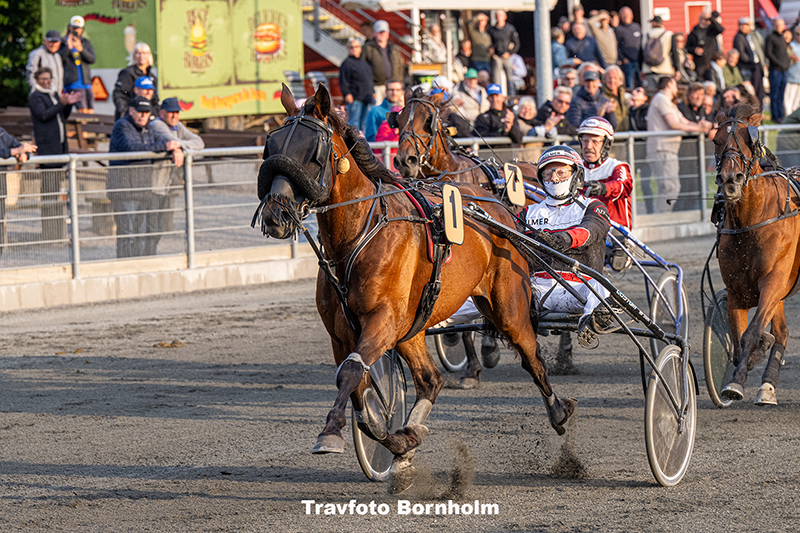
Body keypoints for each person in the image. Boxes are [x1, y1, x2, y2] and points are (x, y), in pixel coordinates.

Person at [521, 145, 612, 371]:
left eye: (561, 172)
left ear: (576, 175)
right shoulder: (527, 213)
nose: (554, 178)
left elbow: (593, 229)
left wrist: (567, 238)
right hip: (535, 291)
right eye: (548, 173)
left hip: (578, 289)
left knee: (601, 285)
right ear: (541, 178)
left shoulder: (592, 206)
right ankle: (441, 319)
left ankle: (591, 321)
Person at [108, 96, 183, 258]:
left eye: (147, 112)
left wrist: (175, 149)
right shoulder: (122, 126)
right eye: (140, 112)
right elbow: (131, 147)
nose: (143, 115)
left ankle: (140, 265)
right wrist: (165, 146)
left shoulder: (149, 127)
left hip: (143, 189)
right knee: (127, 234)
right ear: (131, 111)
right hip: (124, 190)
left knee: (141, 233)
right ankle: (126, 267)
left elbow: (165, 141)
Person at [646, 76, 713, 213]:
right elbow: (674, 124)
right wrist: (700, 128)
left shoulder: (668, 103)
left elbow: (685, 122)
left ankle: (661, 218)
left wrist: (705, 126)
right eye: (675, 85)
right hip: (662, 150)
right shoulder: (661, 98)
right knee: (670, 189)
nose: (677, 89)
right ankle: (661, 219)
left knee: (669, 188)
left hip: (668, 151)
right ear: (669, 84)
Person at [29, 67, 82, 240]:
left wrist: (68, 104)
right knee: (49, 189)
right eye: (42, 79)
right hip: (47, 147)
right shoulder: (36, 96)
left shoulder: (53, 94)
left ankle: (56, 227)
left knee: (57, 187)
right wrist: (61, 104)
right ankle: (49, 229)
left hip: (59, 146)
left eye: (48, 78)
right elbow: (44, 115)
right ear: (37, 80)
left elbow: (62, 115)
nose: (46, 82)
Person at [578, 117, 632, 233]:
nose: (588, 146)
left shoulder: (617, 167)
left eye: (595, 141)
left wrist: (603, 188)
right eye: (585, 141)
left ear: (606, 144)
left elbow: (623, 186)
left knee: (618, 235)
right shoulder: (574, 168)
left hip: (613, 231)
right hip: (583, 230)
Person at [0, 129, 37, 255]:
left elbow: (18, 145)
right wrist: (14, 152)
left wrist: (23, 154)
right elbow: (14, 149)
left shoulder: (1, 133)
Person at [113, 42, 158, 120]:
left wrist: (155, 114)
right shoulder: (128, 73)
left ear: (149, 56)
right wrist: (124, 111)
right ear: (134, 56)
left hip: (147, 116)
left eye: (144, 53)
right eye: (138, 53)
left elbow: (155, 99)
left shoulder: (152, 77)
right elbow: (119, 94)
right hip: (131, 116)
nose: (141, 56)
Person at [363, 20, 404, 105]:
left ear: (388, 33)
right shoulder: (368, 48)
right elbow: (363, 69)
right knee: (377, 109)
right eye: (380, 32)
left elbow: (400, 67)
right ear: (375, 33)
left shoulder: (394, 48)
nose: (382, 34)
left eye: (384, 32)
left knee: (395, 110)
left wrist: (399, 84)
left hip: (393, 87)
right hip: (376, 87)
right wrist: (369, 88)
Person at [60, 15, 95, 113]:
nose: (76, 30)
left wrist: (81, 49)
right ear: (69, 28)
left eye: (78, 28)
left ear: (82, 29)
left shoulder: (85, 42)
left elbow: (92, 59)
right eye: (74, 28)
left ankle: (87, 124)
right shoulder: (63, 42)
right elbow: (59, 59)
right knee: (82, 110)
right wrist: (68, 47)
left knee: (90, 110)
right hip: (72, 83)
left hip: (86, 82)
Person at [339, 37, 374, 133]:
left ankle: (363, 140)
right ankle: (354, 140)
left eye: (356, 47)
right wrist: (347, 93)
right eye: (351, 47)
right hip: (355, 98)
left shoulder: (364, 62)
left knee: (365, 123)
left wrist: (373, 92)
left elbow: (369, 79)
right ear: (348, 49)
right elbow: (343, 81)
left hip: (366, 97)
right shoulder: (347, 63)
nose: (354, 49)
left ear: (360, 48)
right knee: (354, 123)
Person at [734, 18, 766, 107]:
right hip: (748, 67)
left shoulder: (750, 36)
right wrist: (751, 61)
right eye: (742, 25)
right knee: (752, 91)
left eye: (747, 25)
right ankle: (753, 109)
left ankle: (759, 109)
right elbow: (741, 53)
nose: (744, 27)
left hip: (756, 65)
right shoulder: (739, 37)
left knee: (759, 90)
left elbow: (760, 46)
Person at [766, 18, 791, 123]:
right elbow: (769, 53)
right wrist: (779, 63)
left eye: (781, 24)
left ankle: (780, 115)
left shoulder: (782, 37)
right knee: (775, 94)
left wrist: (787, 63)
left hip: (783, 70)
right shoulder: (771, 37)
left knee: (781, 94)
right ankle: (775, 116)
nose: (779, 26)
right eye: (777, 24)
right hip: (775, 70)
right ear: (774, 25)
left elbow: (785, 53)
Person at [687, 11, 724, 80]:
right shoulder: (694, 32)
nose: (706, 21)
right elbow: (687, 47)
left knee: (713, 79)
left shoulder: (711, 30)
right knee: (701, 80)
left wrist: (712, 19)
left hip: (712, 60)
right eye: (704, 19)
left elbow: (720, 29)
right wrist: (694, 50)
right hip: (700, 62)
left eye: (708, 20)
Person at [490, 10, 520, 96]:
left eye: (500, 15)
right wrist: (492, 54)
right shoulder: (492, 30)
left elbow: (516, 43)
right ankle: (498, 97)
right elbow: (489, 44)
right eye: (497, 15)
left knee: (510, 79)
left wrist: (510, 53)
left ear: (505, 17)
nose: (499, 17)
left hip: (507, 57)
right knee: (497, 79)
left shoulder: (510, 29)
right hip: (497, 57)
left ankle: (511, 99)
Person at [26, 30, 64, 94]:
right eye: (51, 41)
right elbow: (31, 75)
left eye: (56, 42)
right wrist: (37, 91)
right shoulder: (37, 54)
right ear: (45, 41)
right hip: (41, 95)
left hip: (56, 95)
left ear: (59, 43)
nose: (53, 44)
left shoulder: (57, 56)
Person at [642, 16, 674, 91]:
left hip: (649, 69)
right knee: (664, 92)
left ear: (653, 23)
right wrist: (676, 68)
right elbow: (673, 52)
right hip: (665, 68)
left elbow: (642, 52)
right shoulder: (668, 34)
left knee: (652, 93)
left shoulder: (645, 35)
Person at [615, 7, 642, 89]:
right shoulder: (618, 29)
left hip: (638, 60)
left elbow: (641, 43)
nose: (626, 16)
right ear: (620, 16)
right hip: (627, 62)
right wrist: (622, 58)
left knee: (640, 83)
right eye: (623, 15)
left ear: (632, 15)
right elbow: (616, 46)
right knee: (629, 84)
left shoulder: (636, 27)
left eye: (627, 14)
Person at [602, 66, 628, 131]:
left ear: (620, 80)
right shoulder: (601, 96)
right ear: (604, 79)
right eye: (609, 77)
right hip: (612, 134)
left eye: (615, 78)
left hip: (626, 134)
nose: (612, 80)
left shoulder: (625, 96)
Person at [785, 27, 800, 118]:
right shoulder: (791, 45)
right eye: (798, 34)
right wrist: (791, 57)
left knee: (797, 100)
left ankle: (794, 118)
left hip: (799, 77)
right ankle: (788, 117)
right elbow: (786, 56)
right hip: (791, 76)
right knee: (789, 99)